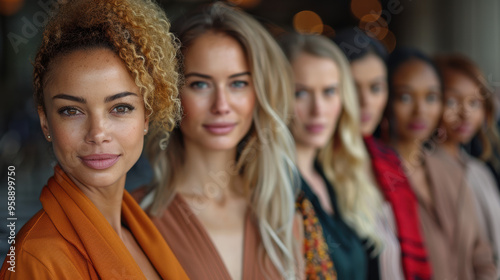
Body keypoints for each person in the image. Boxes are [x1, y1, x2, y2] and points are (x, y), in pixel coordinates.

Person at [0, 0, 189, 279]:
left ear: (146, 117)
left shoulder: (143, 229)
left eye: (120, 108)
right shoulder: (37, 261)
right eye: (72, 111)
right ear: (45, 122)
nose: (98, 133)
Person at [134, 3, 303, 279]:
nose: (221, 105)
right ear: (170, 94)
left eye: (238, 83)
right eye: (200, 84)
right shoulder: (136, 218)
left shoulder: (281, 215)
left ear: (259, 93)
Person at [279, 33, 384, 280]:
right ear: (278, 95)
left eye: (329, 92)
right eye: (301, 93)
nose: (319, 110)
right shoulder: (275, 186)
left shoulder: (335, 176)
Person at [386, 48, 496, 280]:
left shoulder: (454, 172)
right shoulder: (379, 174)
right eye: (405, 97)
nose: (420, 110)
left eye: (431, 97)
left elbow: (482, 256)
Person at [334, 29, 432, 280]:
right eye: (352, 88)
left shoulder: (389, 162)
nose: (366, 101)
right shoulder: (321, 167)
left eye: (376, 88)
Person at [435, 54, 500, 278]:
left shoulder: (480, 171)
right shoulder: (427, 171)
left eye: (474, 103)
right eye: (452, 101)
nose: (465, 113)